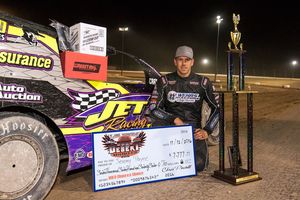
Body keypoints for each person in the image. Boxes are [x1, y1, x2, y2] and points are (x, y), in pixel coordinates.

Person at [150, 45, 219, 171]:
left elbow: (217, 109)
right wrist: (174, 119)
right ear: (175, 61)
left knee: (198, 166)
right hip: (170, 128)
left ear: (192, 62)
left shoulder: (203, 82)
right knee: (160, 163)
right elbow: (153, 108)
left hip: (194, 131)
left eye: (187, 60)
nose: (183, 63)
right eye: (180, 59)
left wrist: (207, 131)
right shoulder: (164, 81)